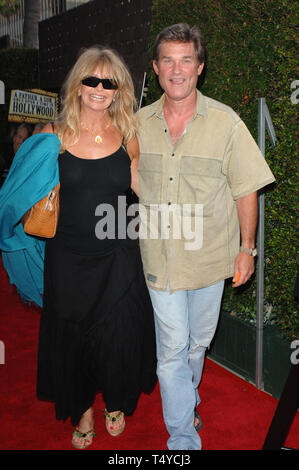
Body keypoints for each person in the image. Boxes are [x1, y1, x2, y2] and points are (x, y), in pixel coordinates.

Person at [0, 46, 156, 449]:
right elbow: (17, 188)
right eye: (92, 79)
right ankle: (84, 410)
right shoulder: (53, 135)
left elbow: (140, 185)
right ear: (78, 84)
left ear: (119, 88)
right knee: (75, 338)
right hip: (68, 257)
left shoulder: (127, 133)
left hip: (119, 251)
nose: (100, 88)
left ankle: (116, 400)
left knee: (119, 334)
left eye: (110, 82)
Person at [136, 23, 275, 450]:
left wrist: (246, 249)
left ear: (200, 67)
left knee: (197, 342)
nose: (177, 70)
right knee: (173, 347)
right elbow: (120, 169)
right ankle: (182, 438)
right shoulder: (138, 123)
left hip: (211, 258)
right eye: (168, 61)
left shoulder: (226, 122)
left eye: (186, 61)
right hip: (160, 259)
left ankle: (186, 396)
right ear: (157, 68)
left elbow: (245, 188)